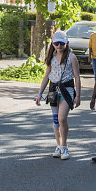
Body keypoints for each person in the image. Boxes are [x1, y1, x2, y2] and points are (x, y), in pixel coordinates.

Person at [35, 31, 81, 160]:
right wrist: (40, 94)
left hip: (67, 89)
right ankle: (58, 145)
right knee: (55, 120)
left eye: (62, 43)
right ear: (52, 44)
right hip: (53, 90)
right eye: (56, 43)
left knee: (62, 118)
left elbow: (77, 77)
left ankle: (64, 146)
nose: (59, 46)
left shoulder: (71, 57)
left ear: (67, 43)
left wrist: (78, 95)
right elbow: (46, 77)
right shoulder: (51, 57)